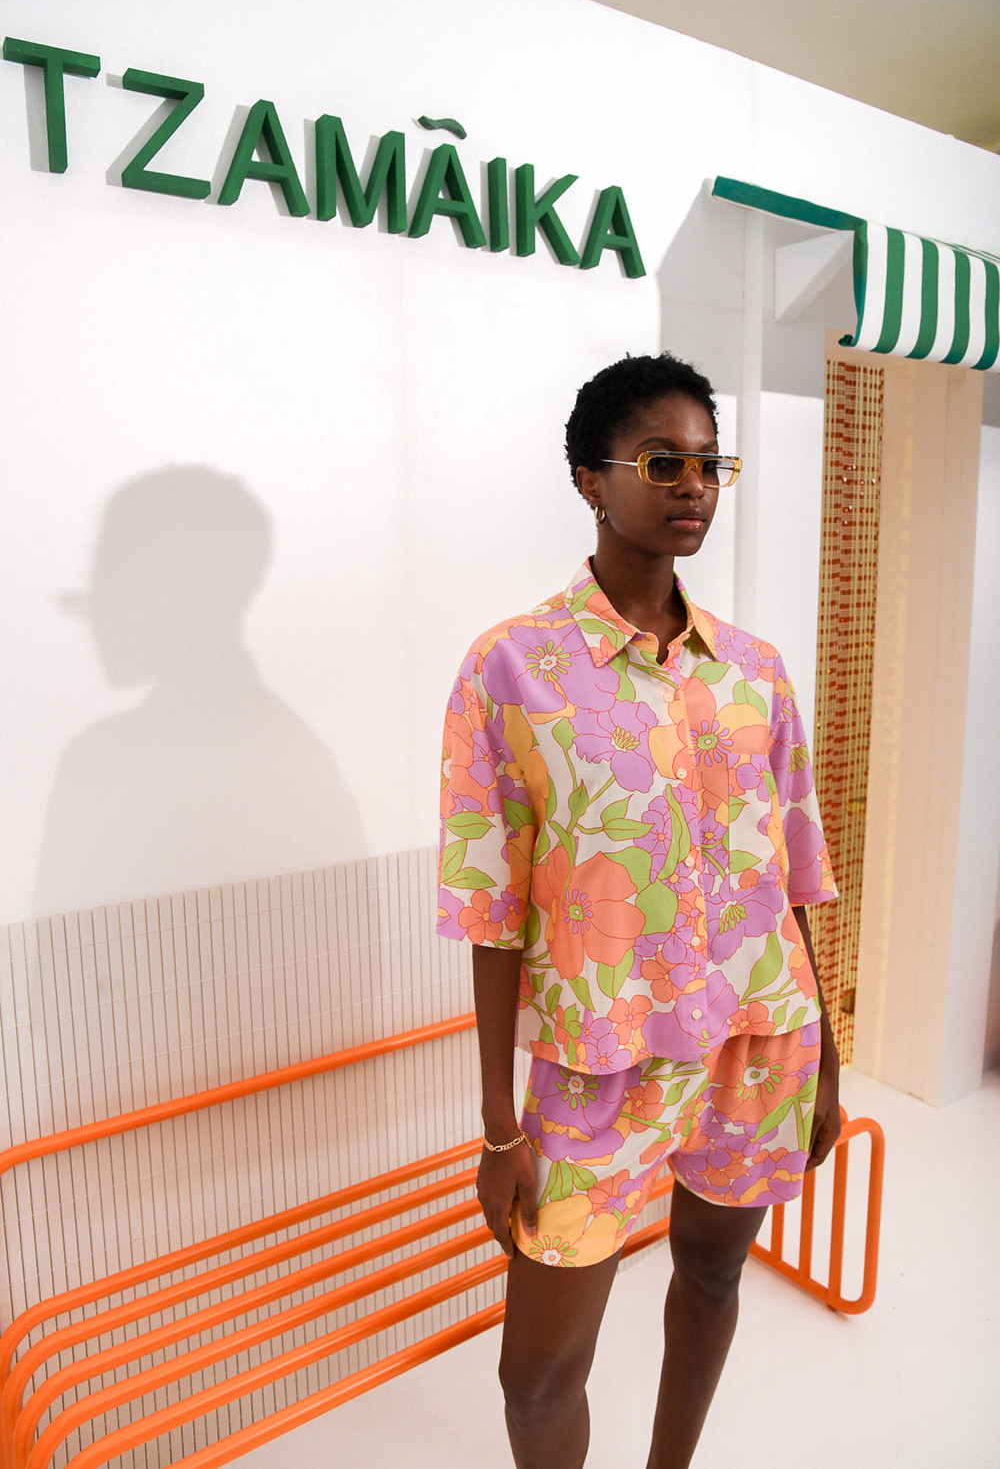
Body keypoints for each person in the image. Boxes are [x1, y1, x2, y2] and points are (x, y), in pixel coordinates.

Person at [437, 352, 840, 1469]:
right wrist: (500, 1128)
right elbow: (489, 908)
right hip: (597, 1065)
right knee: (535, 1381)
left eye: (710, 464)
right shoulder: (511, 670)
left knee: (712, 1271)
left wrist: (828, 1057)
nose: (694, 485)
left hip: (758, 1038)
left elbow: (794, 872)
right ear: (590, 478)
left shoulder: (754, 672)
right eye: (663, 462)